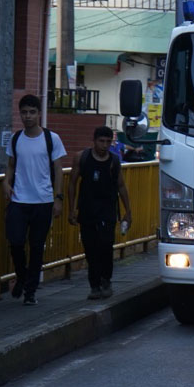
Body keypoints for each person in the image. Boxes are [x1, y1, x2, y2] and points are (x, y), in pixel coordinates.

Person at [2, 94, 68, 306]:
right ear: (19, 114)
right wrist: (6, 181)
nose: (28, 116)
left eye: (32, 112)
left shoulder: (51, 139)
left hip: (43, 200)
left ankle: (30, 291)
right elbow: (11, 165)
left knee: (37, 246)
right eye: (24, 112)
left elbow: (58, 169)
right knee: (16, 241)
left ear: (39, 114)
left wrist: (58, 198)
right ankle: (22, 276)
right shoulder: (16, 138)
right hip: (19, 199)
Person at [66, 126, 132, 299]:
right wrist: (71, 209)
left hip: (107, 210)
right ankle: (94, 285)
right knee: (90, 249)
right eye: (101, 141)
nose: (104, 145)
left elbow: (121, 186)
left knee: (105, 245)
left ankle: (106, 280)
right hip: (87, 210)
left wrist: (128, 211)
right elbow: (72, 183)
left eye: (108, 142)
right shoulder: (83, 158)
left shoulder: (114, 161)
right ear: (94, 141)